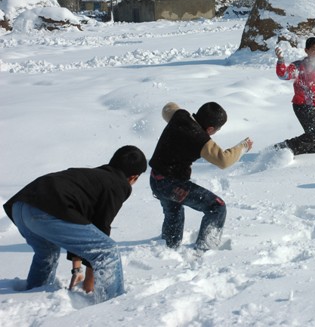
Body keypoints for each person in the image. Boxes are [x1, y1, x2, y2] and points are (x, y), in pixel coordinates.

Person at [3, 145, 147, 303]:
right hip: (47, 211)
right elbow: (100, 229)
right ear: (134, 177)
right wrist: (89, 282)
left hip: (21, 206)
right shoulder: (117, 184)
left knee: (47, 252)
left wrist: (77, 269)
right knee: (108, 251)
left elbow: (79, 225)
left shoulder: (93, 177)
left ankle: (34, 295)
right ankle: (112, 305)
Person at [149, 102, 252, 251]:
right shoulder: (199, 138)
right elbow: (224, 160)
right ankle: (206, 249)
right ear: (210, 128)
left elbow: (168, 108)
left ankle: (167, 249)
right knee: (217, 207)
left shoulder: (180, 115)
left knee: (174, 213)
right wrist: (243, 146)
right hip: (172, 185)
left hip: (156, 179)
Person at [274, 37, 315, 155]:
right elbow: (284, 75)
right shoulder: (299, 66)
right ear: (306, 50)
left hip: (314, 106)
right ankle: (282, 150)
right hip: (301, 105)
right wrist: (280, 60)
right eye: (314, 50)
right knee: (314, 136)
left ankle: (290, 150)